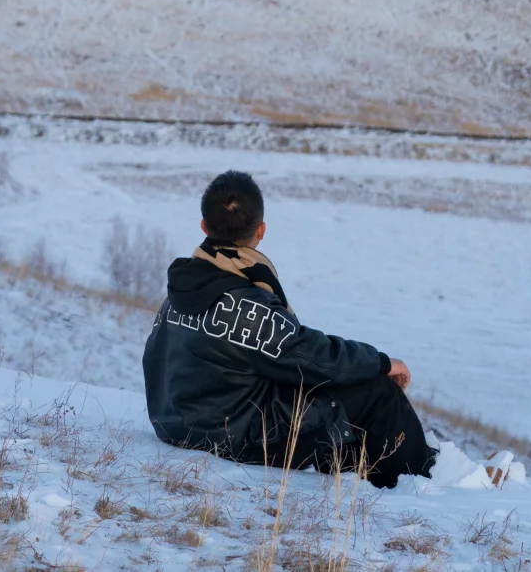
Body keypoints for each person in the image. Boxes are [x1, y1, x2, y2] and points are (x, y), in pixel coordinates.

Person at [142, 169, 438, 488]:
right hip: (235, 435)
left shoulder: (180, 291)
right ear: (261, 230)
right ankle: (423, 484)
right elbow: (313, 357)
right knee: (378, 393)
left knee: (327, 401)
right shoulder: (248, 303)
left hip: (176, 424)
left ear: (204, 226)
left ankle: (365, 471)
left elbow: (153, 359)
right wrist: (380, 363)